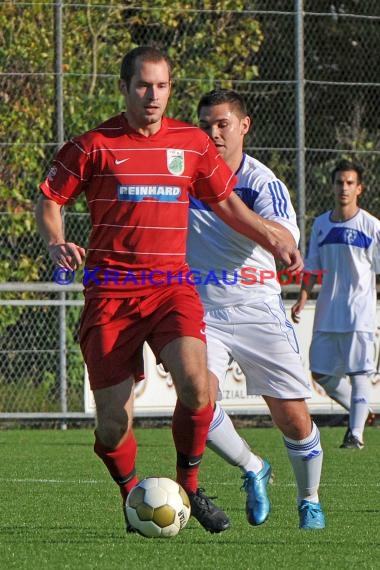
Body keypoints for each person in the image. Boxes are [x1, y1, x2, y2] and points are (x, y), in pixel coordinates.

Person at [35, 47, 301, 535]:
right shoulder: (93, 145)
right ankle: (134, 498)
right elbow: (49, 200)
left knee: (198, 386)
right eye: (143, 85)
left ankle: (190, 488)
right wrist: (56, 243)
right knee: (113, 424)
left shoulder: (193, 143)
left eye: (161, 86)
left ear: (170, 89)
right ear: (125, 87)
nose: (152, 95)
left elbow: (227, 206)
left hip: (170, 287)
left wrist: (274, 240)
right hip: (111, 293)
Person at [187, 88, 326, 530]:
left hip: (257, 308)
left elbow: (285, 237)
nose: (214, 133)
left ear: (243, 126)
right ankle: (252, 466)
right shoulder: (184, 176)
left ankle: (309, 499)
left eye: (222, 124)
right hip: (201, 310)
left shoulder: (262, 182)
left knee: (293, 417)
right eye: (206, 124)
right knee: (197, 401)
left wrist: (248, 221)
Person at [291, 159, 380, 449]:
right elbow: (313, 266)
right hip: (327, 312)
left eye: (350, 183)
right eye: (339, 182)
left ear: (359, 189)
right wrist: (303, 298)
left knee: (359, 374)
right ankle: (362, 411)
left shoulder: (371, 226)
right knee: (321, 374)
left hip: (359, 314)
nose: (344, 187)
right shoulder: (321, 224)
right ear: (333, 186)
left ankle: (355, 434)